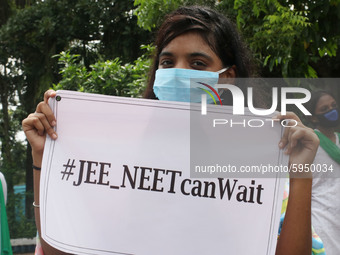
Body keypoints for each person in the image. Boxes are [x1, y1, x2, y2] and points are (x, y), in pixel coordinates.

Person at [22, 6, 319, 255]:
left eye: (197, 63)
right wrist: (43, 158)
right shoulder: (118, 159)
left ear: (227, 78)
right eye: (167, 62)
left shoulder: (263, 165)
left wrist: (301, 174)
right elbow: (60, 248)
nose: (178, 71)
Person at [305, 90, 340, 254]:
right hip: (322, 220)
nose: (332, 111)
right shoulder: (309, 144)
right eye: (324, 109)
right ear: (313, 117)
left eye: (333, 106)